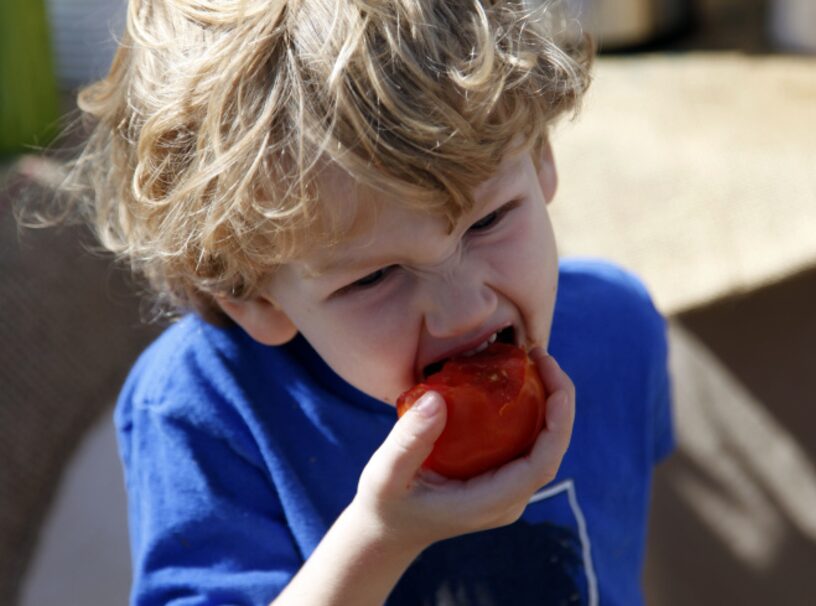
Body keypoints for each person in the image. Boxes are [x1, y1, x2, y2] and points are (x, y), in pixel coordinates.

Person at [49, 1, 674, 603]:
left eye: (487, 223)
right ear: (254, 300)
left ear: (541, 156)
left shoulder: (618, 331)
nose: (463, 311)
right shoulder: (206, 410)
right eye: (373, 279)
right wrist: (380, 537)